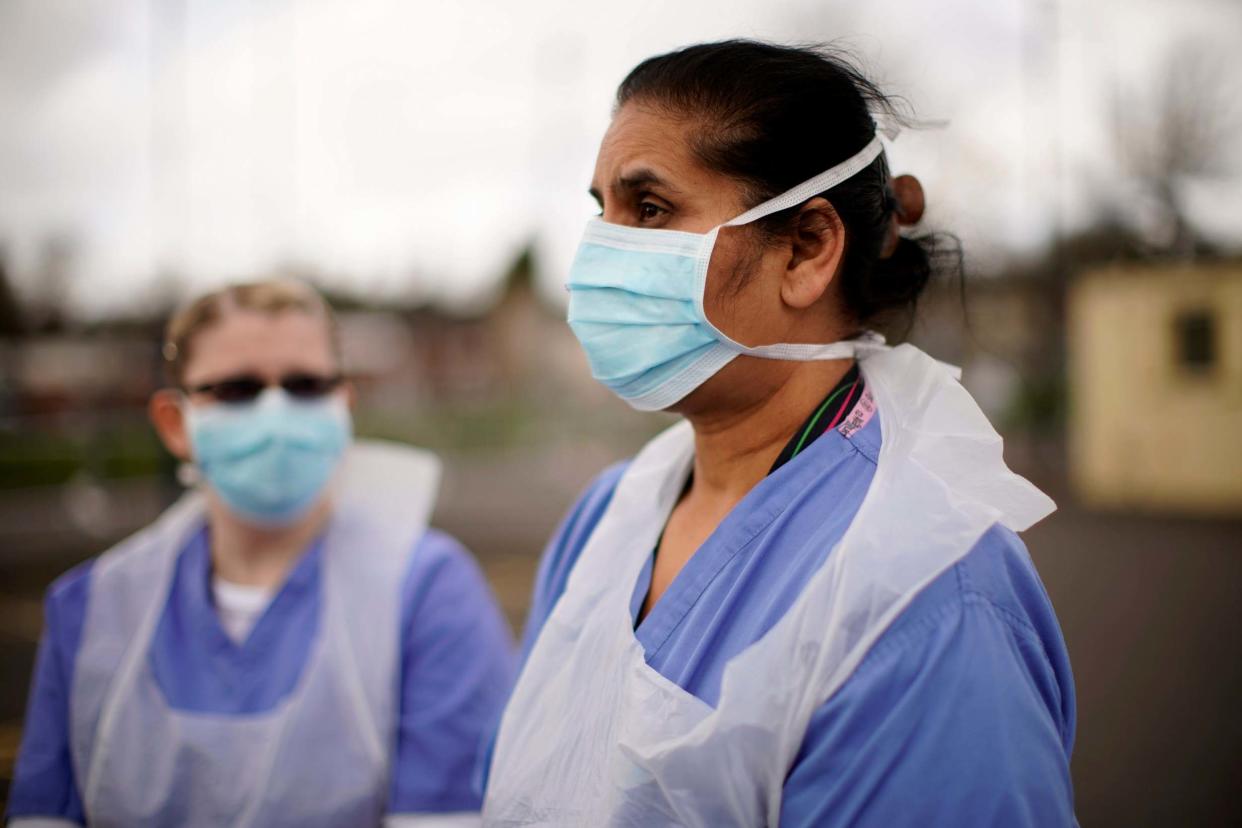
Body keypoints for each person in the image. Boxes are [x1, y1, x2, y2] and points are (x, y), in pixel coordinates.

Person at [483, 41, 1076, 826]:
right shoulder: (606, 517)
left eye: (650, 209)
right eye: (604, 211)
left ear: (806, 250)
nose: (600, 253)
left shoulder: (924, 597)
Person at [8, 279, 515, 827]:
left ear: (344, 404)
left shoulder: (427, 591)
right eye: (236, 389)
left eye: (306, 385)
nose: (276, 413)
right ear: (174, 423)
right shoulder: (92, 607)